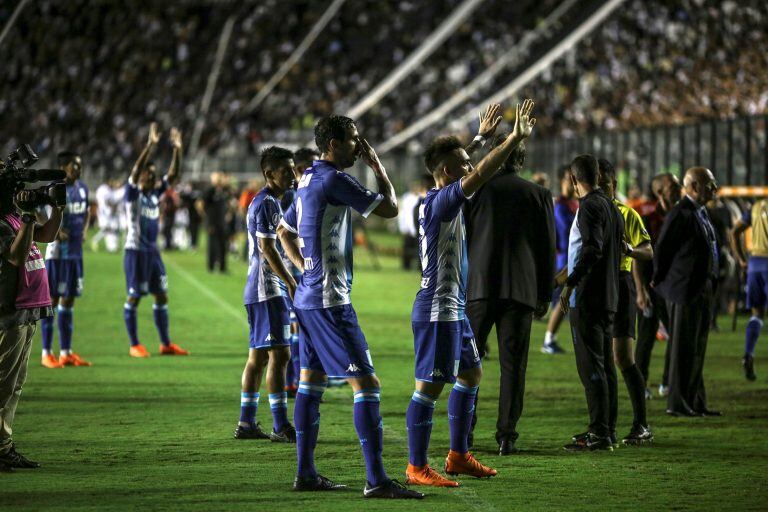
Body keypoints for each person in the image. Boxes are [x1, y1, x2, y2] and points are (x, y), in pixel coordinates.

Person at [278, 115, 421, 499]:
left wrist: (302, 266)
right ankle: (377, 481)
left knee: (310, 382)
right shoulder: (333, 179)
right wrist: (377, 166)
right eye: (354, 140)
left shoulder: (308, 178)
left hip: (307, 299)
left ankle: (305, 473)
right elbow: (390, 208)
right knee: (368, 385)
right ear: (334, 144)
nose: (359, 145)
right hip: (329, 302)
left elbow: (283, 231)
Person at [405, 100, 535, 487]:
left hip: (455, 308)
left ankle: (458, 455)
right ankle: (416, 467)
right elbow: (476, 172)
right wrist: (512, 139)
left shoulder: (443, 189)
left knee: (472, 374)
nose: (469, 165)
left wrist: (479, 138)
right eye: (461, 163)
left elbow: (466, 164)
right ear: (447, 173)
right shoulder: (441, 202)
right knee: (428, 389)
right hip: (436, 308)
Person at [464, 130, 554, 456]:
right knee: (513, 367)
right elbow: (547, 249)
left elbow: (465, 238)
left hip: (479, 287)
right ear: (521, 159)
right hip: (521, 290)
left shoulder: (476, 192)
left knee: (468, 363)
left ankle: (465, 432)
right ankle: (506, 435)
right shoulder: (539, 194)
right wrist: (544, 293)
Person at [559, 154, 623, 451]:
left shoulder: (589, 207)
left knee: (591, 366)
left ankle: (599, 433)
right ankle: (606, 429)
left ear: (574, 180)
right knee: (606, 365)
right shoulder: (612, 207)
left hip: (588, 297)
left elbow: (592, 249)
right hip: (609, 295)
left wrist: (571, 282)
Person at [235, 147, 298, 442]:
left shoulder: (268, 201)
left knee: (258, 358)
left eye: (293, 168)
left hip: (259, 288)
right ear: (269, 174)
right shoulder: (267, 203)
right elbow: (267, 248)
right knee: (281, 354)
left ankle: (247, 423)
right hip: (266, 288)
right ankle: (280, 425)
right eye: (286, 170)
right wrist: (287, 279)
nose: (293, 174)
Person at [0, 181, 63, 471]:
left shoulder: (15, 213)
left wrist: (57, 208)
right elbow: (15, 257)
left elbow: (47, 235)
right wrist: (26, 216)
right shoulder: (5, 220)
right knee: (3, 383)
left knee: (15, 384)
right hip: (11, 310)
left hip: (30, 307)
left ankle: (4, 446)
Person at [652, 167, 721, 417]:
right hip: (684, 289)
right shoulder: (681, 213)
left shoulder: (700, 212)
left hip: (702, 288)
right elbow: (663, 249)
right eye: (709, 184)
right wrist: (659, 280)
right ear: (693, 187)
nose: (715, 189)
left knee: (697, 347)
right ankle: (677, 403)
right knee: (682, 348)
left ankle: (696, 401)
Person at [597, 159, 654, 445]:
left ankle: (641, 424)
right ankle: (604, 427)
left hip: (619, 283)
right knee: (601, 359)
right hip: (595, 286)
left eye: (604, 184)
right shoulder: (587, 212)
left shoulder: (626, 214)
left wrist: (629, 249)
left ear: (614, 185)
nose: (599, 189)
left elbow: (647, 250)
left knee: (622, 357)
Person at [122, 123, 189, 358]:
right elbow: (135, 171)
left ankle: (165, 343)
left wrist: (177, 150)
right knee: (134, 297)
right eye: (147, 173)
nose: (151, 176)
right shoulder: (133, 195)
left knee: (161, 295)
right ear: (140, 176)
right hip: (135, 252)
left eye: (153, 173)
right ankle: (134, 344)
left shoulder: (153, 196)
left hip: (153, 253)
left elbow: (172, 176)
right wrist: (150, 146)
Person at [40, 151, 92, 368]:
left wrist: (86, 230)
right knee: (52, 301)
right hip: (57, 254)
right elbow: (37, 212)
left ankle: (66, 352)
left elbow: (87, 211)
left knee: (69, 300)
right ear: (63, 167)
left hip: (75, 254)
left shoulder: (83, 188)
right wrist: (54, 230)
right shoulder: (54, 188)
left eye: (79, 165)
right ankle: (46, 353)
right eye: (74, 166)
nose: (78, 169)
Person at [635, 173, 681, 398]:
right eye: (673, 185)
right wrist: (641, 289)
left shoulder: (680, 215)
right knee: (646, 336)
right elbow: (638, 256)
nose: (678, 188)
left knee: (676, 334)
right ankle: (641, 384)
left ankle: (667, 382)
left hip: (673, 286)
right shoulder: (648, 217)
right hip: (651, 286)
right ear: (660, 192)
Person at [282, 147, 320, 394]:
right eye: (313, 166)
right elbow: (282, 235)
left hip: (304, 271)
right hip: (289, 270)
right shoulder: (289, 197)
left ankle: (298, 379)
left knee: (300, 327)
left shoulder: (307, 192)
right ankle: (293, 380)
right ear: (299, 170)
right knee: (295, 327)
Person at [731, 196, 768, 381]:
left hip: (755, 264)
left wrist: (741, 259)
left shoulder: (756, 207)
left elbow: (734, 232)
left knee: (757, 314)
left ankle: (748, 353)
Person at [542, 168, 578, 354]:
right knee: (562, 300)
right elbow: (558, 232)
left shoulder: (574, 204)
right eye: (568, 178)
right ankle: (548, 340)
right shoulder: (557, 205)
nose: (572, 182)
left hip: (572, 256)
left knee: (564, 301)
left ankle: (550, 339)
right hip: (561, 259)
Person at [201, 172, 232, 273]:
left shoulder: (224, 190)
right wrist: (208, 220)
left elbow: (228, 203)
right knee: (212, 245)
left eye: (219, 178)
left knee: (223, 245)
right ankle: (211, 267)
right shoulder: (209, 190)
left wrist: (228, 213)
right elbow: (201, 204)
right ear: (213, 179)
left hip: (222, 222)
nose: (219, 180)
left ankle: (222, 267)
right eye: (217, 178)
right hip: (212, 222)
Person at [91, 178, 123, 253]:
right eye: (114, 182)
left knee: (111, 229)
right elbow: (107, 201)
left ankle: (112, 246)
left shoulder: (107, 189)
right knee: (108, 229)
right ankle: (96, 240)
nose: (115, 184)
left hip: (107, 212)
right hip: (105, 213)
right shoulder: (105, 190)